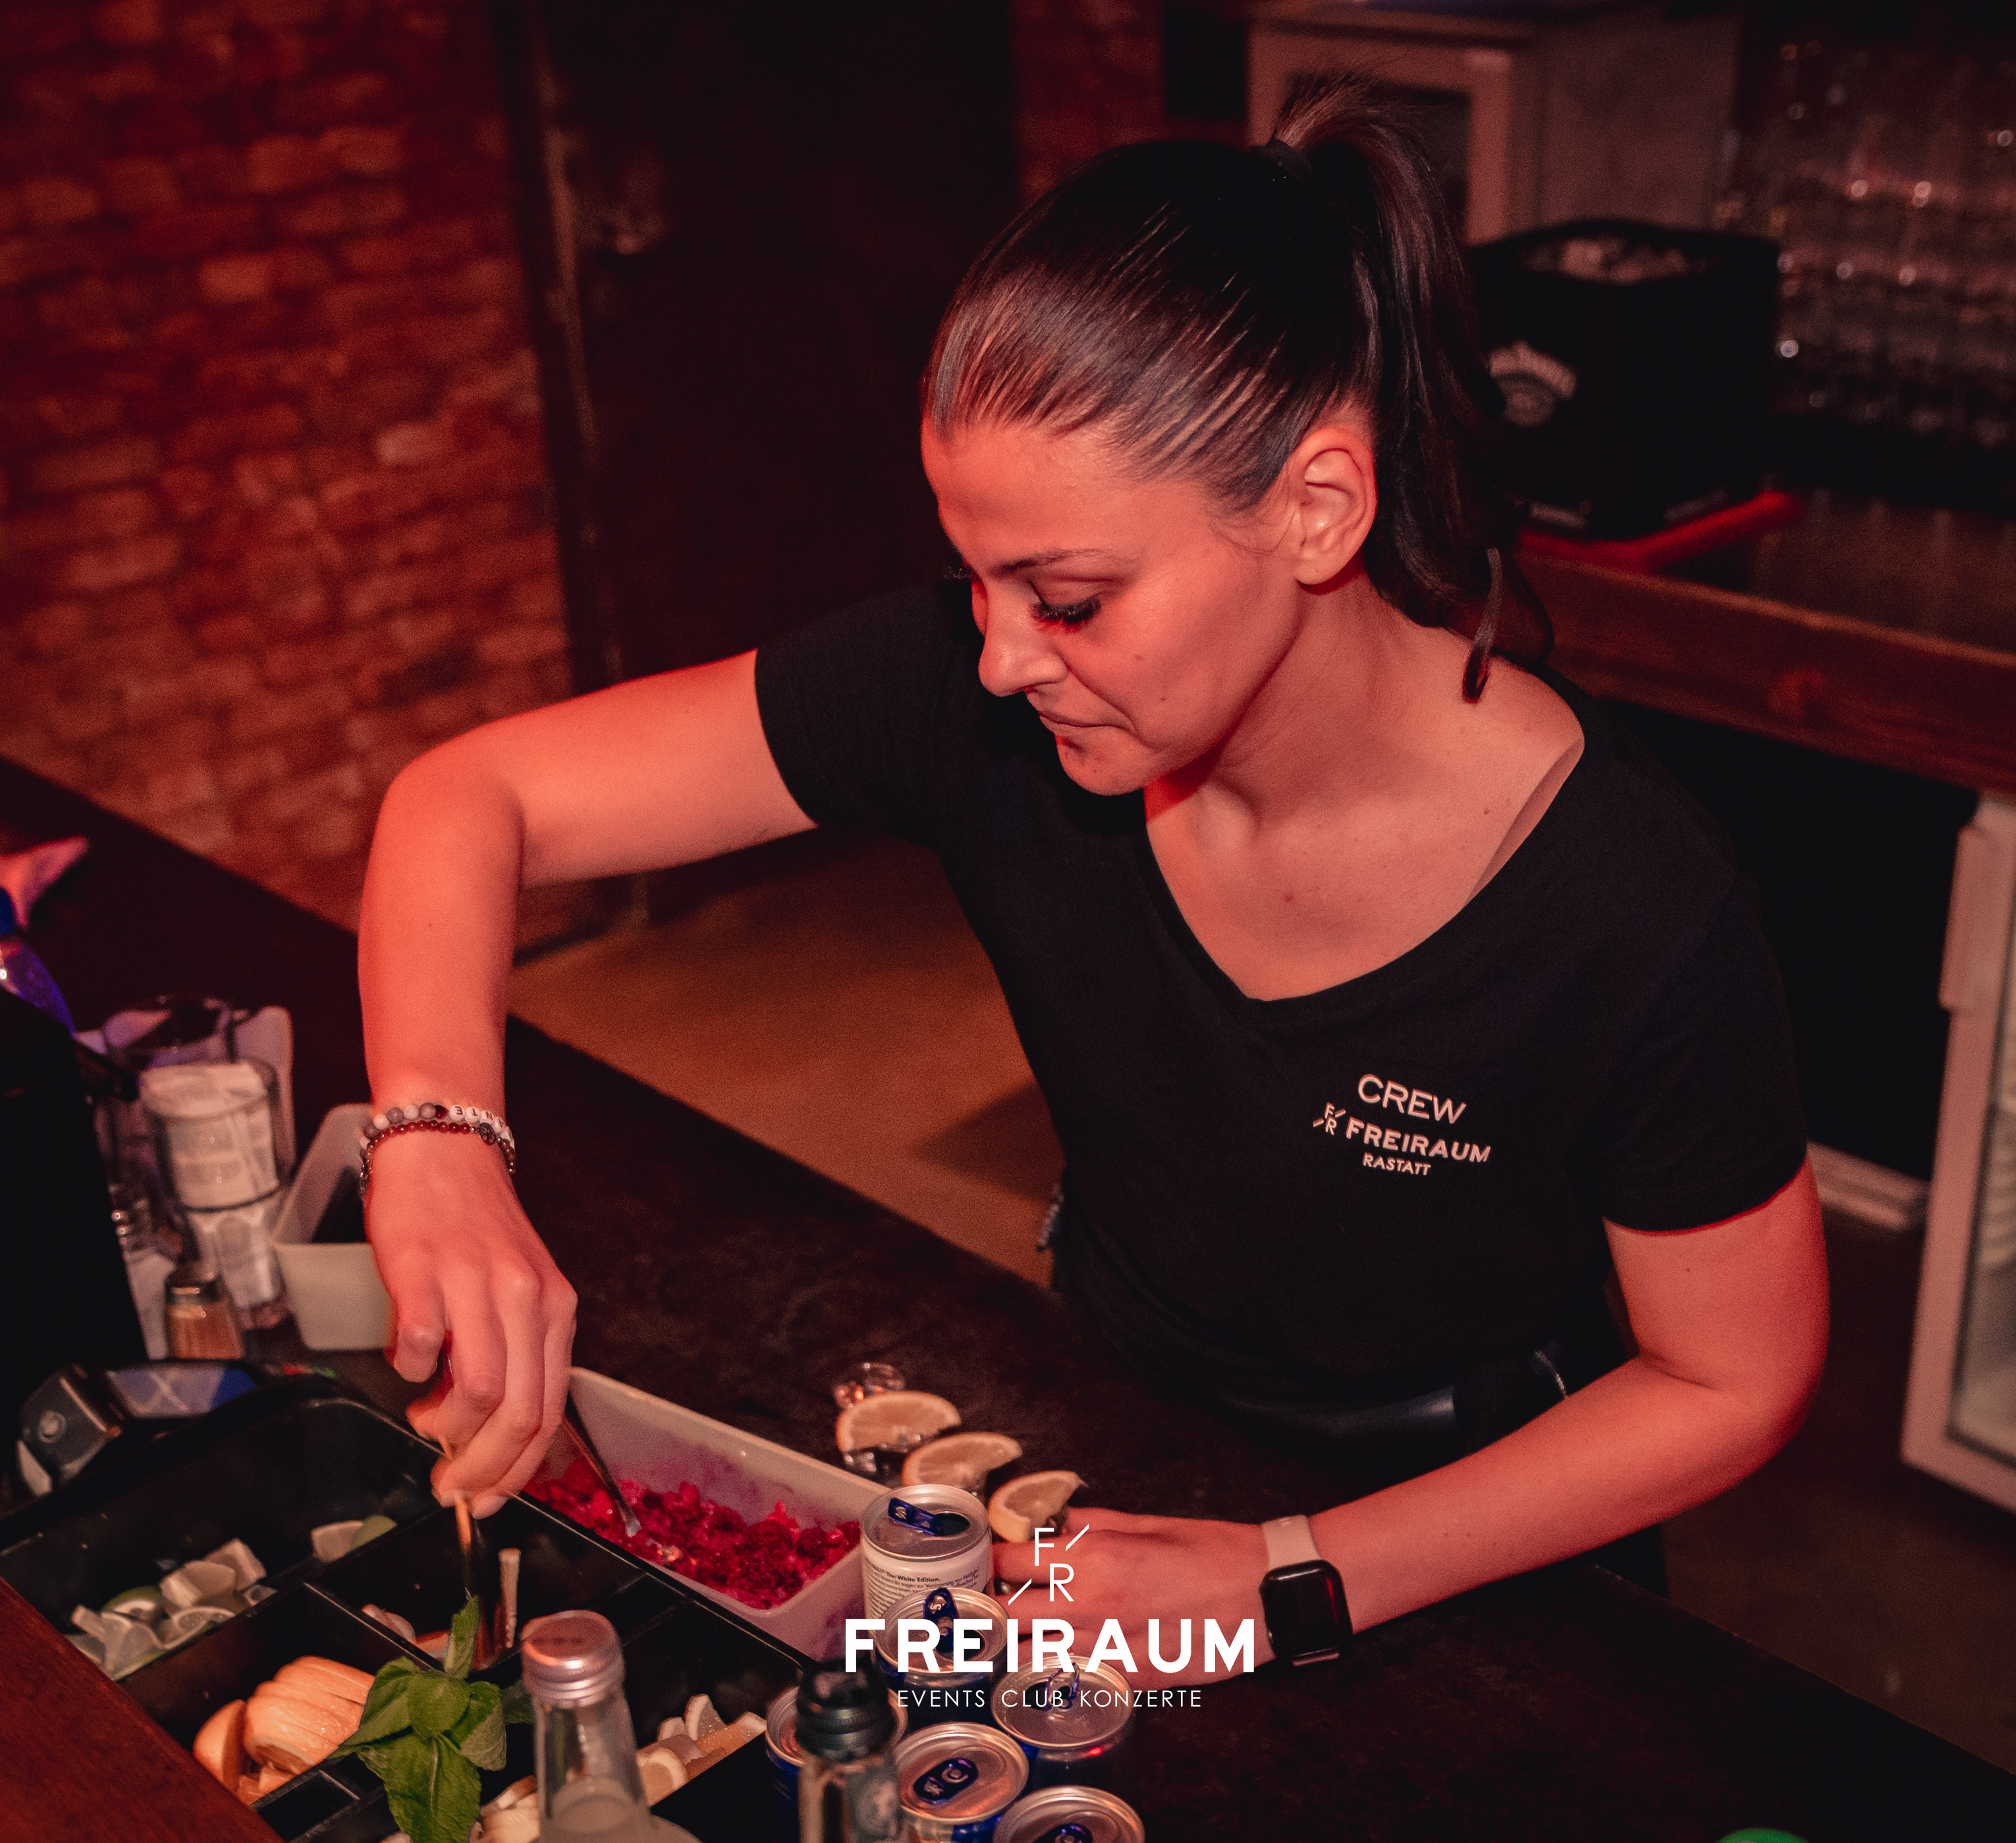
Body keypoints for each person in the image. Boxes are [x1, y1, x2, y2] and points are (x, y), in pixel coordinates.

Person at [356, 79, 1827, 1686]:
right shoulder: (988, 694)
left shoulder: (1633, 904)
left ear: (1318, 509)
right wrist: (439, 1140)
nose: (999, 658)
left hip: (1472, 1537)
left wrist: (1286, 1575)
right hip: (1109, 1431)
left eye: (1066, 596)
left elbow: (1730, 1380)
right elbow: (472, 796)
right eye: (977, 579)